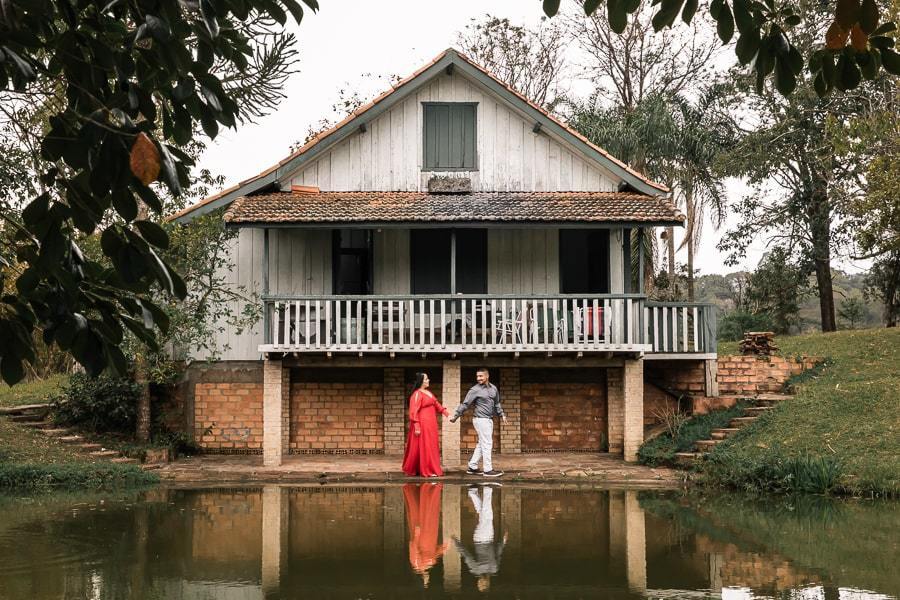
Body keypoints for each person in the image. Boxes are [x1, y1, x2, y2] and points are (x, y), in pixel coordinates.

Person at [450, 367, 506, 477]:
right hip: (480, 419)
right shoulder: (475, 390)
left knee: (482, 443)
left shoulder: (493, 388)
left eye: (481, 376)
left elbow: (497, 403)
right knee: (487, 443)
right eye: (477, 376)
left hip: (489, 419)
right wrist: (456, 416)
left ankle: (472, 466)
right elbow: (465, 404)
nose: (478, 378)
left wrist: (502, 414)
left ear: (487, 376)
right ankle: (488, 470)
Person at [452, 484, 508, 593]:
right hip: (489, 537)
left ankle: (487, 490)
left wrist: (456, 542)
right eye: (482, 584)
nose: (479, 582)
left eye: (479, 584)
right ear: (487, 583)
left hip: (481, 538)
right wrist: (503, 541)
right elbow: (498, 553)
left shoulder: (476, 570)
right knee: (484, 515)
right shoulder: (494, 569)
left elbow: (466, 555)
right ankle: (473, 492)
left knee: (487, 516)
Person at [402, 482, 450, 588]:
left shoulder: (416, 563)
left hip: (423, 536)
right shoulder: (430, 564)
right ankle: (432, 489)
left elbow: (413, 547)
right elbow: (435, 554)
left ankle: (426, 489)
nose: (427, 578)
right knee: (430, 514)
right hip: (431, 537)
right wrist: (444, 548)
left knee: (424, 514)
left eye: (426, 580)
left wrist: (417, 534)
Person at [402, 372, 449, 477]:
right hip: (423, 423)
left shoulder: (428, 392)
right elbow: (413, 411)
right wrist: (417, 426)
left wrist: (446, 414)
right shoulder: (417, 394)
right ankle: (427, 470)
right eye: (426, 379)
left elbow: (436, 404)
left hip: (431, 423)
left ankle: (431, 468)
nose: (428, 380)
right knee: (425, 445)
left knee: (431, 445)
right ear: (421, 381)